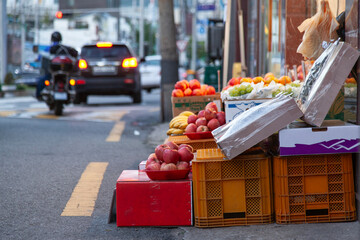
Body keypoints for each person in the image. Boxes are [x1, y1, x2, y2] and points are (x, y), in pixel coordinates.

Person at [35, 31, 78, 100]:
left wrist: (37, 59)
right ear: (60, 39)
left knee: (41, 81)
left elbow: (41, 57)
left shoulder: (49, 48)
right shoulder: (66, 48)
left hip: (53, 72)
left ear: (52, 39)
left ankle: (38, 95)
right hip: (65, 72)